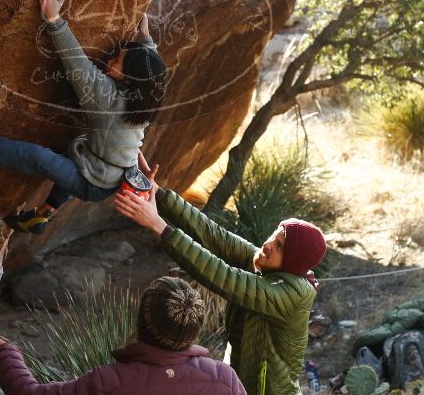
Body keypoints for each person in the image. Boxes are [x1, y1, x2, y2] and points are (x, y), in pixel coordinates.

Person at [0, 0, 167, 234]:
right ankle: (42, 215)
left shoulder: (108, 100)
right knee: (75, 148)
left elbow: (77, 64)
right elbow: (154, 78)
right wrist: (146, 41)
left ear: (129, 77)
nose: (110, 59)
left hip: (93, 182)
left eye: (117, 60)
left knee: (40, 158)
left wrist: (54, 18)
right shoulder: (143, 97)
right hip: (110, 168)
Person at [114, 154, 327, 395]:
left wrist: (158, 226)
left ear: (292, 263)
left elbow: (223, 277)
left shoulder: (290, 295)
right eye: (274, 236)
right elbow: (215, 236)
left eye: (279, 246)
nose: (268, 245)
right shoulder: (266, 264)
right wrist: (160, 194)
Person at [0, 276, 247, 394]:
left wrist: (6, 354)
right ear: (194, 329)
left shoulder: (109, 381)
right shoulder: (225, 380)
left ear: (143, 323)